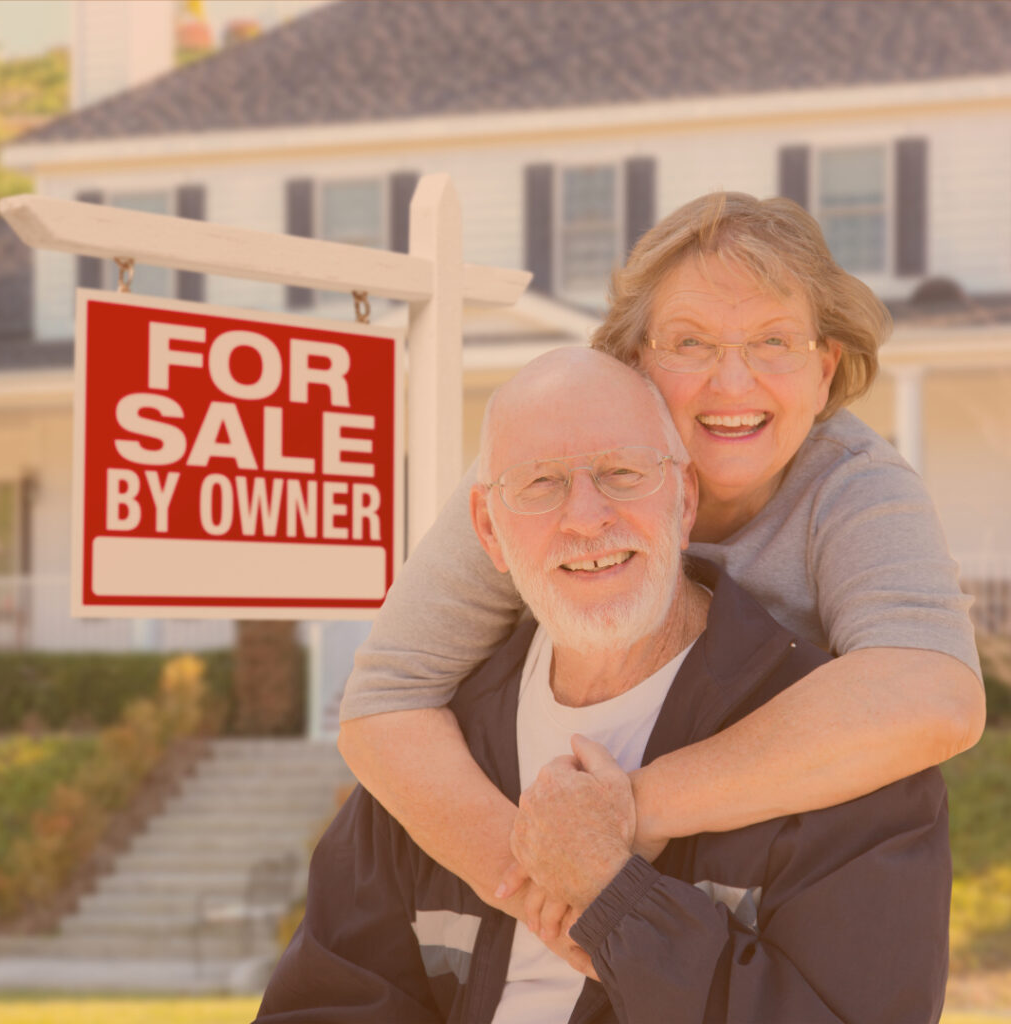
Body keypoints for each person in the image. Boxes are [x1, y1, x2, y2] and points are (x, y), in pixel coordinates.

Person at [336, 192, 983, 946]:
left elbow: (934, 692)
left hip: (764, 894)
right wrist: (542, 891)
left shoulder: (854, 485)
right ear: (634, 361)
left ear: (825, 368)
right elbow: (384, 702)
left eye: (774, 341)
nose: (733, 384)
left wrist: (630, 811)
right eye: (691, 343)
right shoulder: (538, 474)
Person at [257, 349, 950, 1024]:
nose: (586, 517)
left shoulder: (844, 754)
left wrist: (617, 903)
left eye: (622, 473)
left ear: (684, 502)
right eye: (540, 483)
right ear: (487, 531)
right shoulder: (437, 756)